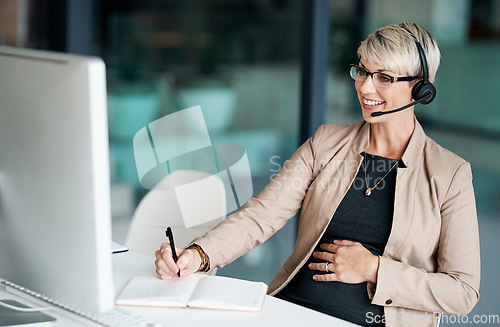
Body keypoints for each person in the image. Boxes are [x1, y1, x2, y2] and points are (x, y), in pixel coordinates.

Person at [155, 22, 480, 327]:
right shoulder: (327, 143)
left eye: (384, 77)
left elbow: (463, 291)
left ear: (420, 89)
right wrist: (198, 255)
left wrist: (374, 269)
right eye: (363, 71)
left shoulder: (449, 174)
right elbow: (261, 216)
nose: (366, 86)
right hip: (290, 309)